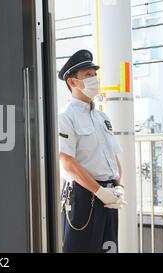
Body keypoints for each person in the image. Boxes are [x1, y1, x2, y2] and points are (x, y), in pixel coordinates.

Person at [58, 49, 128, 253]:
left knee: (109, 249)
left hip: (109, 196)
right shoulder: (65, 116)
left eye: (94, 74)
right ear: (72, 82)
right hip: (83, 195)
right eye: (88, 75)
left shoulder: (102, 118)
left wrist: (118, 186)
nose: (94, 79)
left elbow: (113, 157)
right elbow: (67, 163)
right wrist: (99, 192)